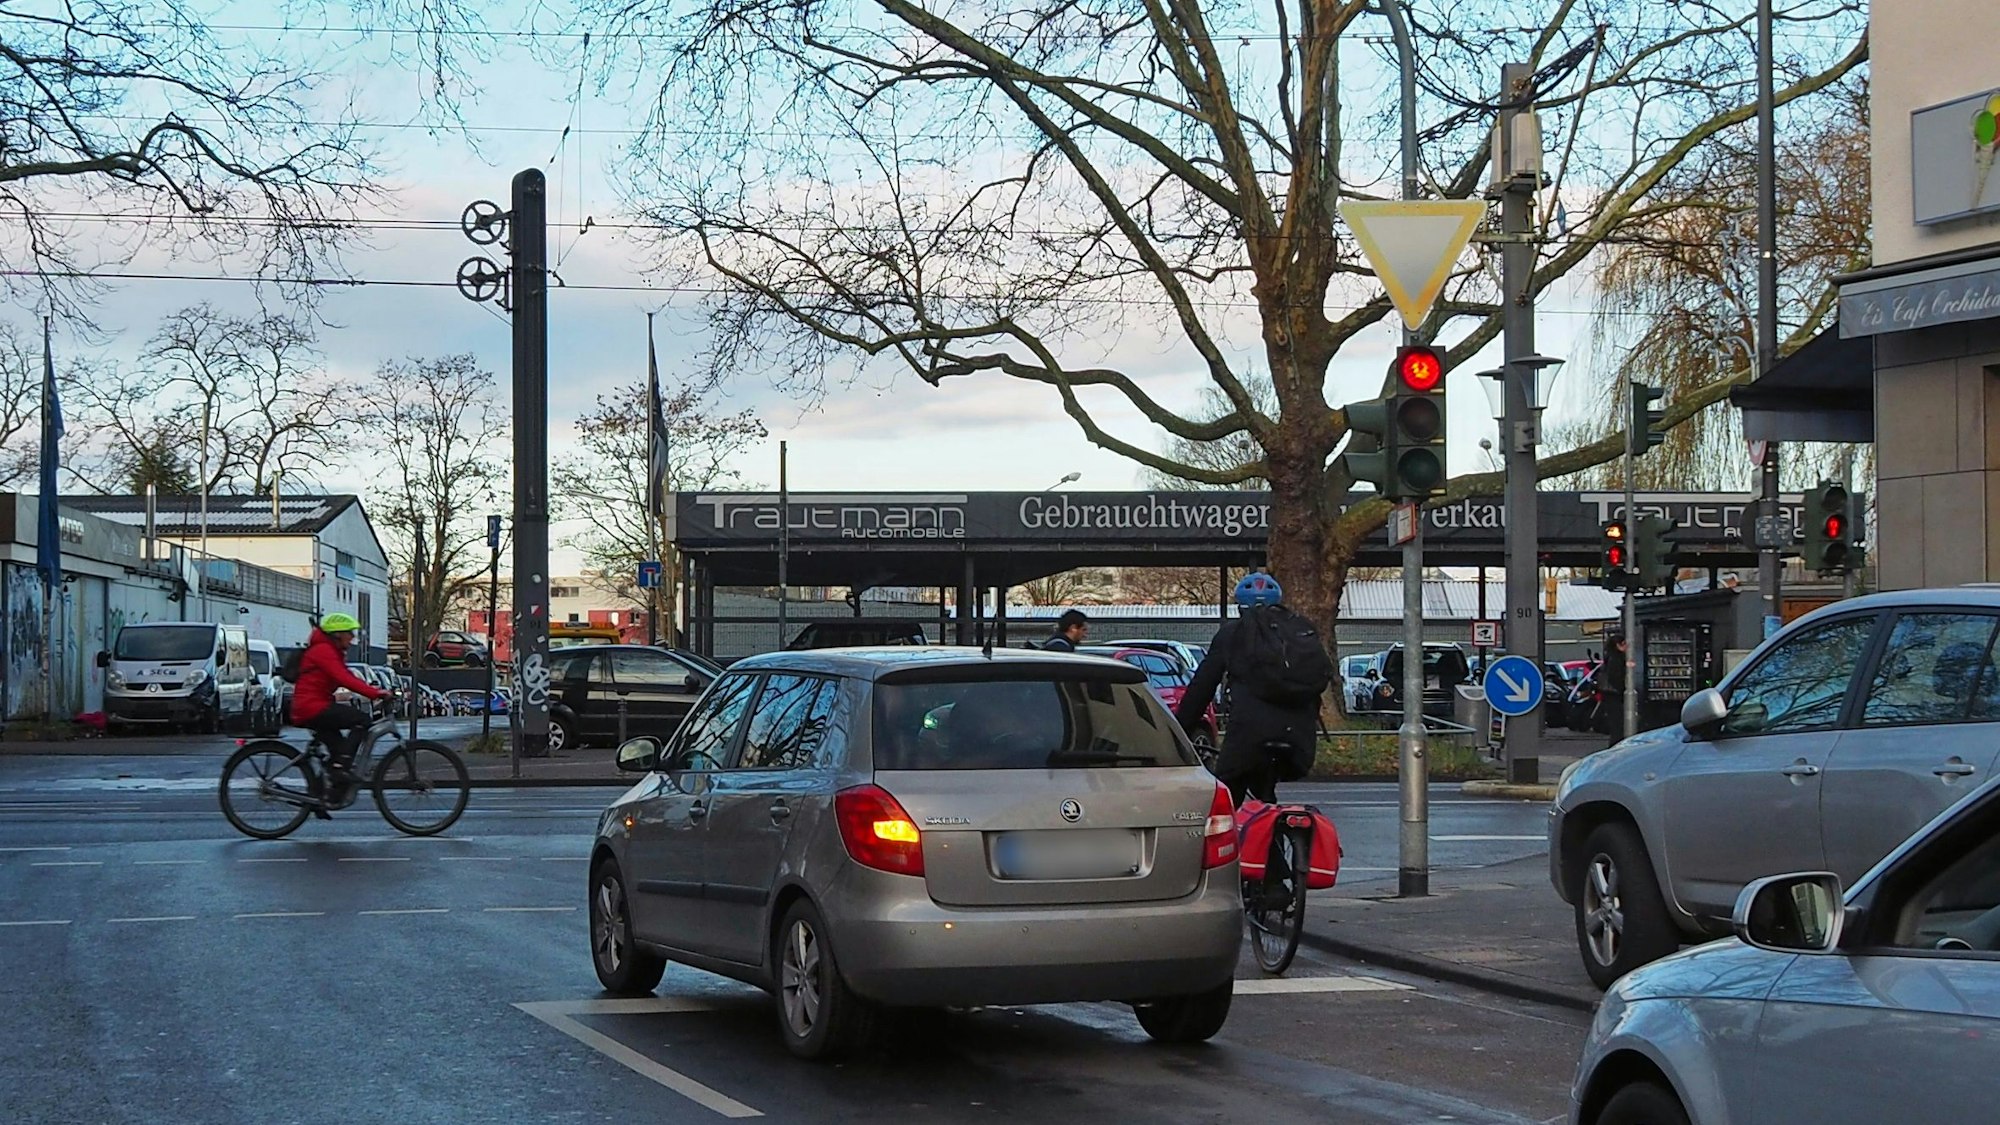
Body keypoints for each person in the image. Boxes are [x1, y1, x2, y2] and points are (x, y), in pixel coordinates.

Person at [1175, 573, 1327, 806]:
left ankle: (1233, 838)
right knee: (1265, 795)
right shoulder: (1300, 630)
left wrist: (1179, 730)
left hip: (1248, 736)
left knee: (1225, 800)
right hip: (1298, 739)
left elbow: (1202, 687)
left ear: (1240, 607)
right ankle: (1274, 834)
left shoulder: (1231, 634)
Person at [290, 613, 389, 785]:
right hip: (312, 708)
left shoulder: (331, 651)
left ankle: (330, 792)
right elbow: (344, 678)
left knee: (339, 750)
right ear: (337, 634)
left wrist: (373, 690)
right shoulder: (323, 651)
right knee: (361, 720)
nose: (353, 638)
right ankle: (339, 769)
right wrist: (375, 694)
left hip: (315, 706)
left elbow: (347, 675)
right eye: (349, 633)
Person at [1595, 632, 1629, 743]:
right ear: (1618, 645)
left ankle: (1615, 743)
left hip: (1610, 695)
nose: (1626, 647)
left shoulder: (1610, 657)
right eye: (1623, 644)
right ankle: (1615, 744)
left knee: (1616, 723)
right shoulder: (1616, 659)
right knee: (1618, 723)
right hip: (1614, 695)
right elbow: (1616, 677)